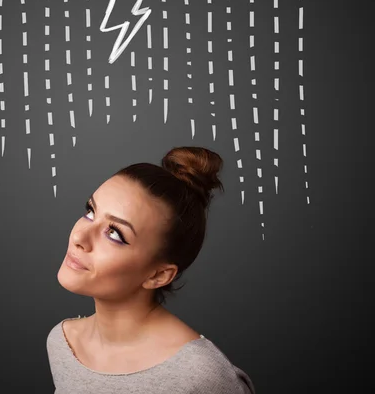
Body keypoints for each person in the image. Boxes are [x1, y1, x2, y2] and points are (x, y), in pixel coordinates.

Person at [47, 146, 255, 393]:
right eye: (91, 212)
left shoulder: (200, 375)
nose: (80, 236)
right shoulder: (61, 343)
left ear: (158, 275)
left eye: (115, 233)